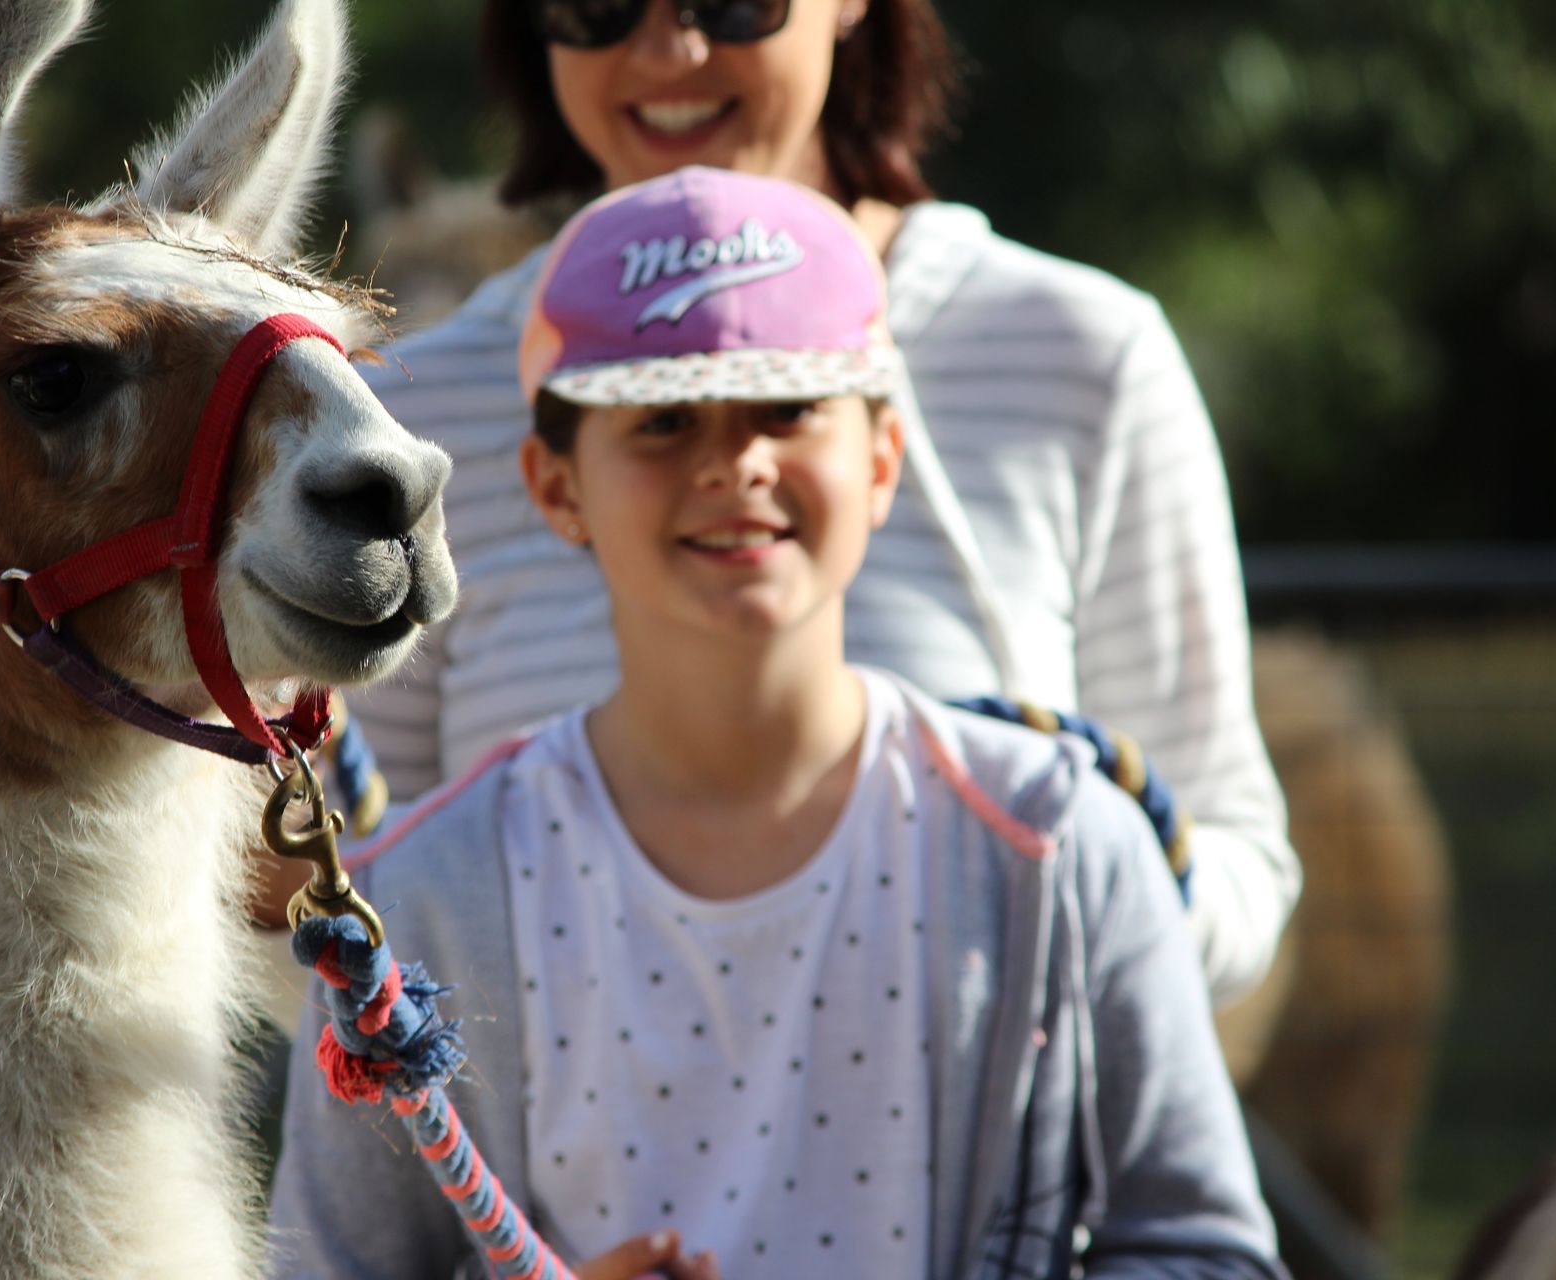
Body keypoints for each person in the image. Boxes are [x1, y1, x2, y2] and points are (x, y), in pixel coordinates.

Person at [270, 167, 1282, 1280]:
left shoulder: (1059, 844)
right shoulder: (426, 893)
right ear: (556, 486)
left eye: (790, 405)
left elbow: (1204, 1247)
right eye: (662, 419)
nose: (735, 461)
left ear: (881, 456)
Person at [337, 0, 1297, 1009]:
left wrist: (1048, 917)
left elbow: (1231, 865)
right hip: (541, 1163)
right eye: (597, 2)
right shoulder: (414, 418)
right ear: (552, 478)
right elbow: (348, 905)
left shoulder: (1081, 357)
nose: (671, 48)